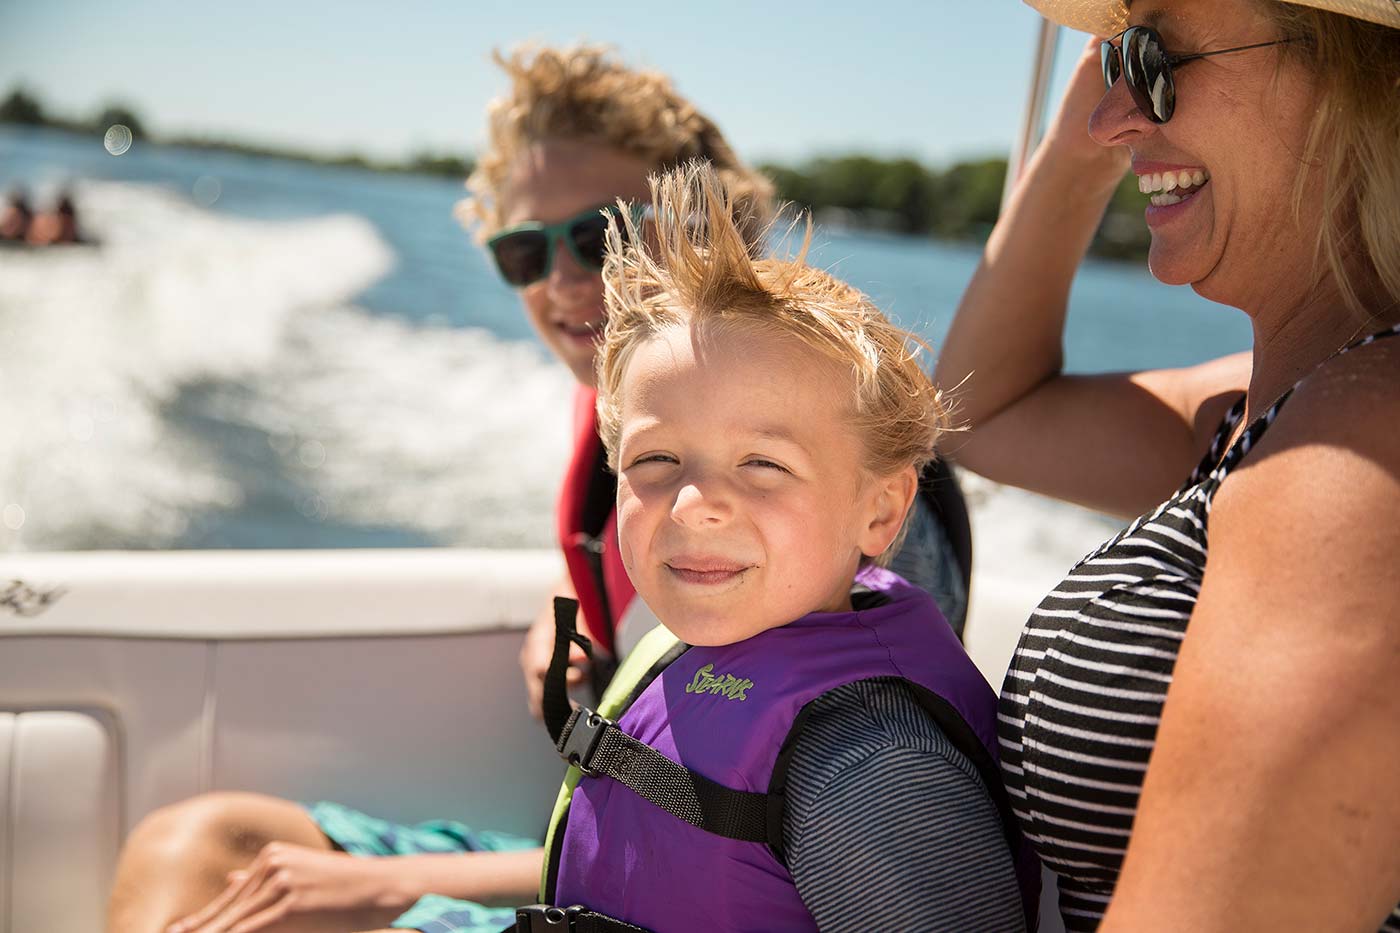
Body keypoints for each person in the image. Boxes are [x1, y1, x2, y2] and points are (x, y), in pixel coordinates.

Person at [107, 46, 972, 933]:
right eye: (525, 250)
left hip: (644, 888)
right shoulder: (624, 426)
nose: (562, 279)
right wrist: (575, 591)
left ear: (710, 225)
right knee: (199, 843)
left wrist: (392, 887)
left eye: (600, 237)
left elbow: (806, 806)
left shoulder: (848, 492)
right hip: (602, 849)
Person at [934, 0, 1400, 929]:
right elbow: (976, 415)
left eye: (1154, 58)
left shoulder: (1359, 440)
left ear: (1366, 80)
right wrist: (1073, 156)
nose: (1111, 115)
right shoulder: (1263, 412)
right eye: (1110, 62)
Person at [527, 159, 1037, 932]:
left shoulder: (870, 769)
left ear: (881, 510)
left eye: (763, 465)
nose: (694, 506)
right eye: (656, 462)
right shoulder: (687, 646)